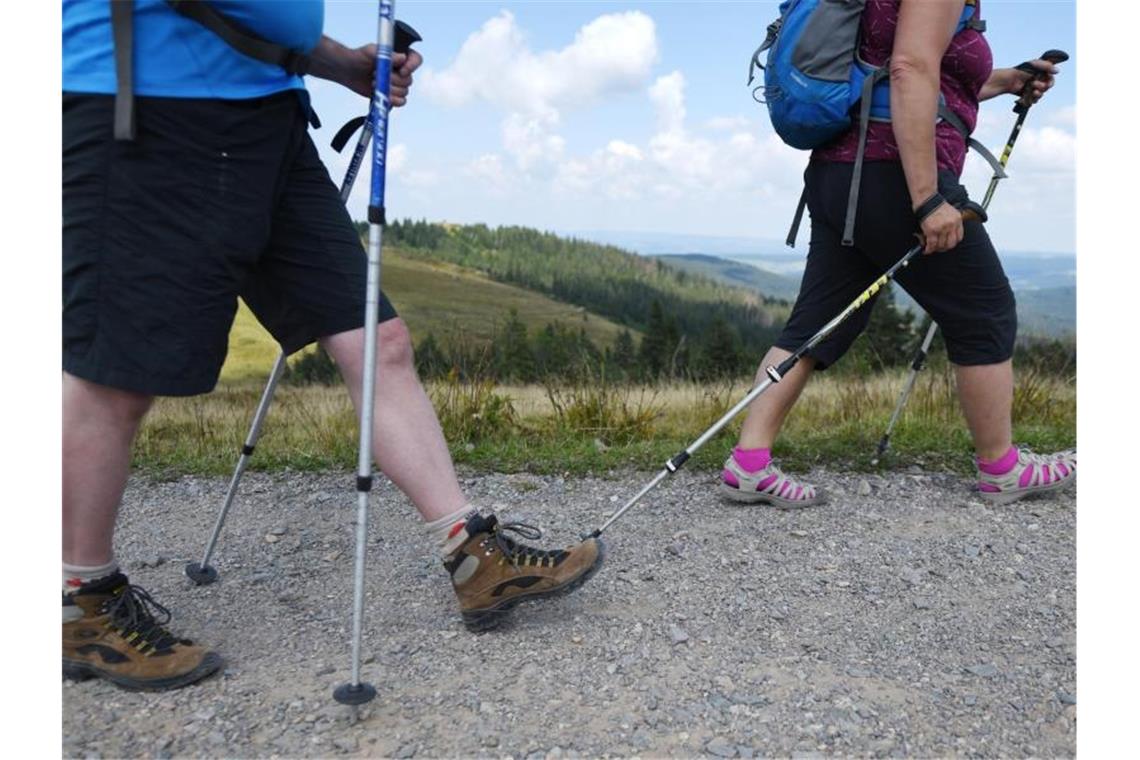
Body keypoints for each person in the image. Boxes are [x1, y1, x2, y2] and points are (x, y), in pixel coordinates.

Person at [63, 0, 603, 692]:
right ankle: (83, 598)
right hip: (144, 107)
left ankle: (472, 554)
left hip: (270, 116)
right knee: (118, 370)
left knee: (378, 339)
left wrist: (337, 63)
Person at [720, 0, 1075, 508]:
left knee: (818, 321)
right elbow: (911, 68)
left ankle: (749, 463)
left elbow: (905, 72)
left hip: (842, 172)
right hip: (894, 175)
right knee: (984, 308)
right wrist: (928, 198)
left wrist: (1003, 81)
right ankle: (1002, 468)